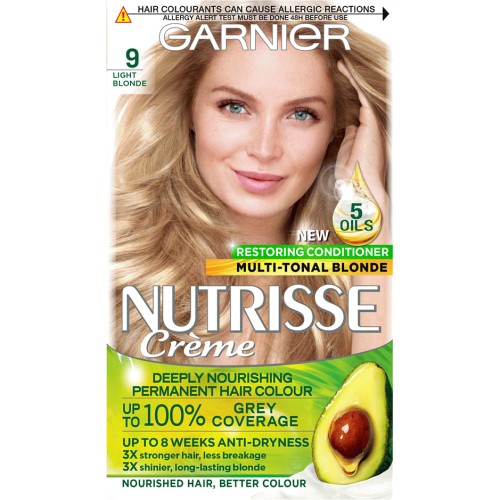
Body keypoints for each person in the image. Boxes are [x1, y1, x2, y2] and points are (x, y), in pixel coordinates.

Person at [112, 18, 390, 365]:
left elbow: (377, 396)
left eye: (301, 114)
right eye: (234, 107)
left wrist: (368, 205)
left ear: (338, 130)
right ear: (189, 110)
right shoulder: (116, 270)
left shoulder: (360, 290)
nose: (265, 149)